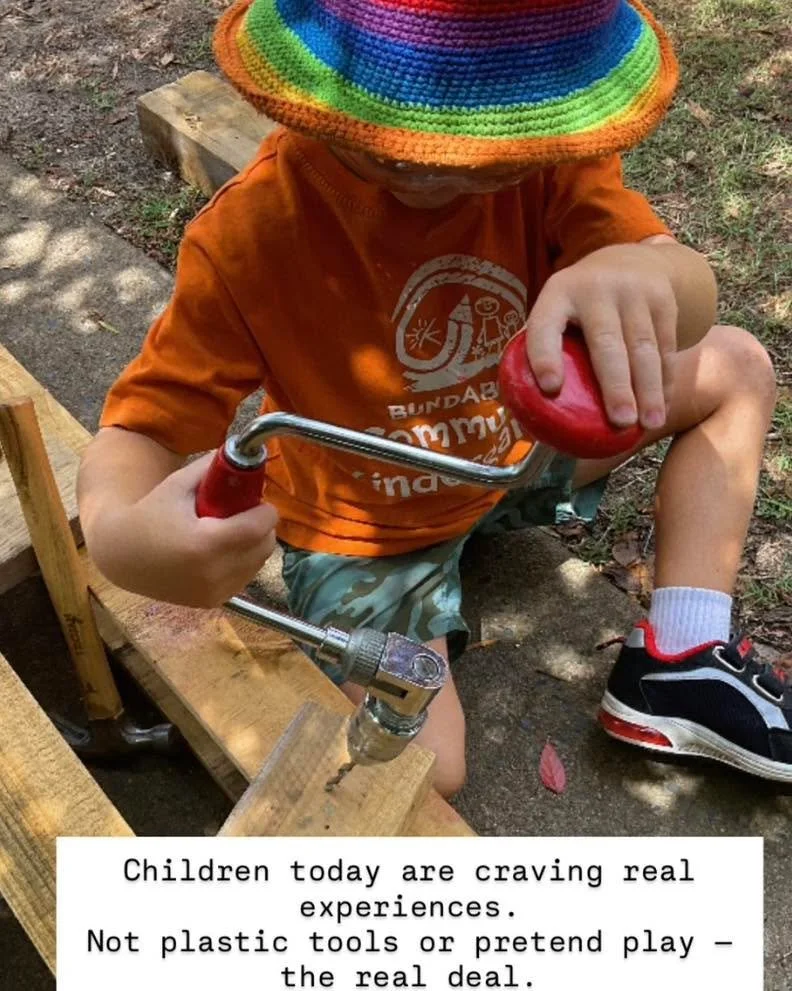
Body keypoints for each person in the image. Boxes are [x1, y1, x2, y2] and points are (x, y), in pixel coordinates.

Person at [78, 0, 784, 797]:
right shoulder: (251, 236)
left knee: (735, 366)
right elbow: (141, 429)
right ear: (314, 87)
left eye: (492, 151)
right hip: (366, 531)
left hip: (509, 461)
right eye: (395, 147)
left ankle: (681, 659)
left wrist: (649, 271)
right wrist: (123, 540)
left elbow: (691, 297)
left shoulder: (551, 165)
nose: (447, 172)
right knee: (426, 771)